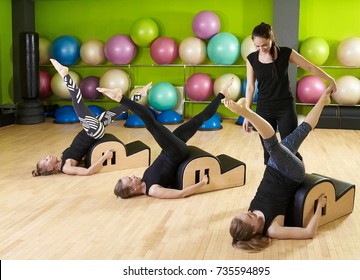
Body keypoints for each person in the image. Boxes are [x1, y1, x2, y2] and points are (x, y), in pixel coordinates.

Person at [222, 88, 331, 252]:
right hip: (292, 174)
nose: (251, 212)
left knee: (301, 131)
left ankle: (323, 101)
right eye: (250, 216)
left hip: (274, 165)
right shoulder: (273, 229)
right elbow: (309, 233)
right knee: (272, 145)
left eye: (246, 212)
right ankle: (246, 113)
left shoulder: (250, 216)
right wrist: (319, 206)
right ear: (254, 230)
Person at [96, 78, 233, 199]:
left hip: (170, 148)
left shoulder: (144, 179)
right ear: (133, 189)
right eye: (130, 179)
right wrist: (202, 183)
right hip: (175, 152)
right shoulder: (153, 190)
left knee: (198, 120)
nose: (132, 176)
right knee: (152, 125)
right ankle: (120, 98)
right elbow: (181, 194)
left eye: (129, 177)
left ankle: (221, 94)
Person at [244, 22, 337, 164]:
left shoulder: (286, 53)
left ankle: (296, 177)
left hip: (285, 108)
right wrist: (247, 114)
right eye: (257, 46)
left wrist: (330, 79)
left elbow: (309, 67)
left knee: (291, 147)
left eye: (264, 45)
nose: (261, 49)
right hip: (264, 109)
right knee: (268, 150)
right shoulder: (251, 59)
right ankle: (273, 182)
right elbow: (250, 87)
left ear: (271, 39)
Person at [32, 59, 131, 176]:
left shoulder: (63, 159)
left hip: (91, 130)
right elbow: (88, 172)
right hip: (92, 132)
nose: (47, 156)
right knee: (77, 103)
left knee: (115, 112)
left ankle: (138, 96)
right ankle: (65, 74)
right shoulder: (66, 167)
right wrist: (104, 157)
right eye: (46, 159)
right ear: (49, 168)